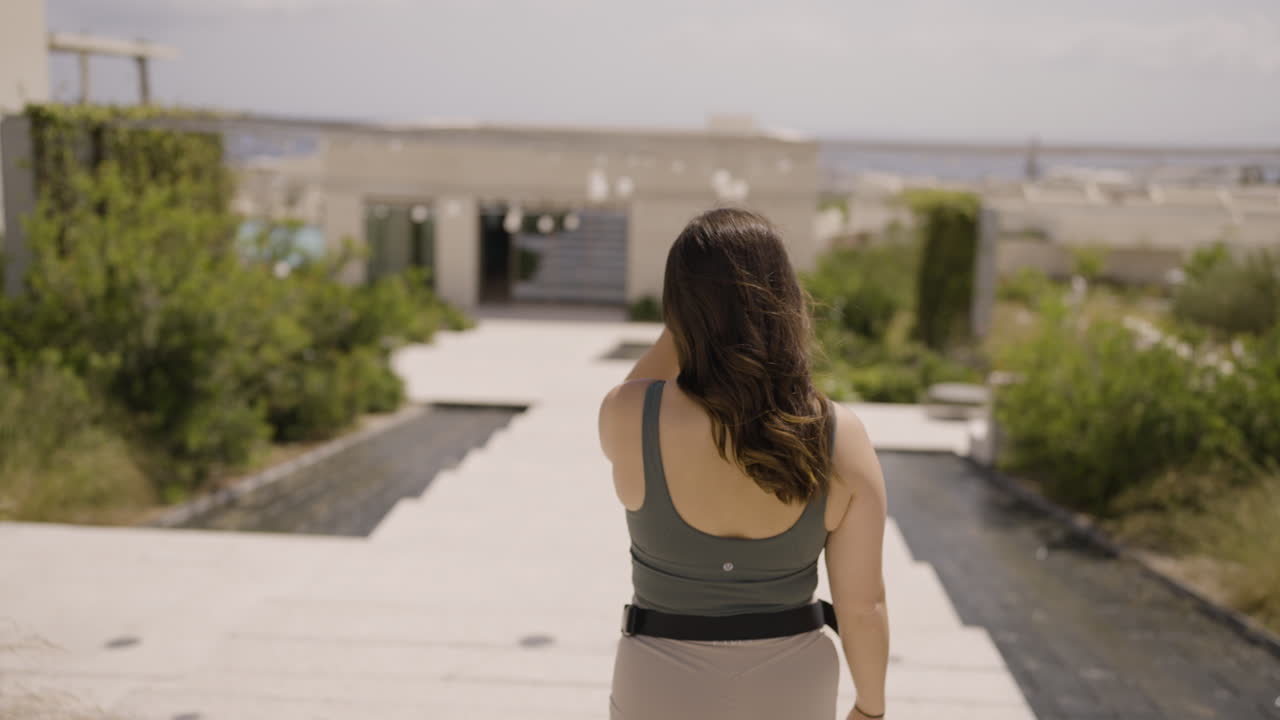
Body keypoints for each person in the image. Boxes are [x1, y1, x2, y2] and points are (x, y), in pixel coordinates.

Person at [597, 207, 890, 720]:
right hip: (790, 682)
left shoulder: (629, 414)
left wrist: (687, 320)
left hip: (658, 677)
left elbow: (638, 384)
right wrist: (871, 709)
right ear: (786, 299)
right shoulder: (842, 437)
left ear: (679, 306)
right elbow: (863, 608)